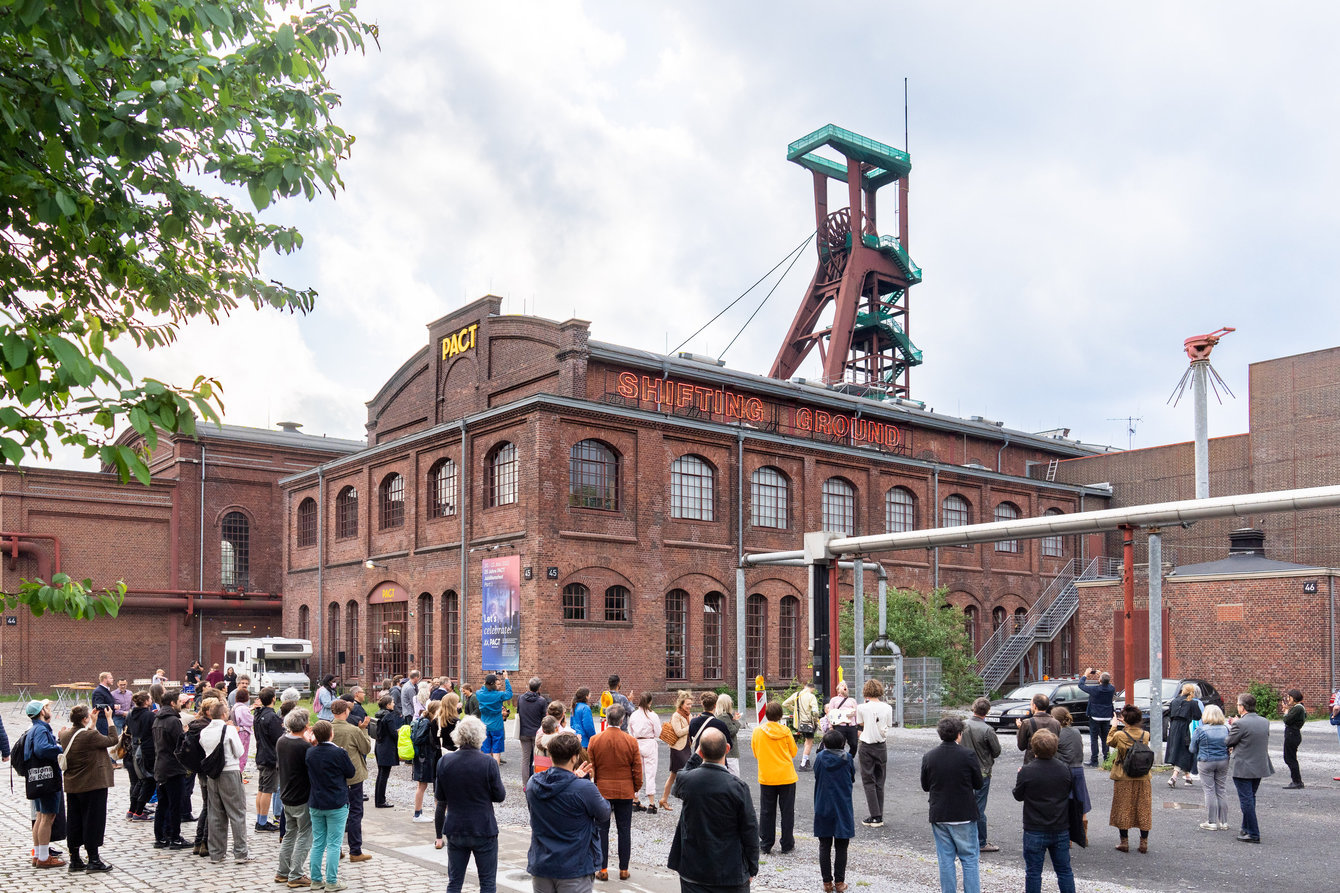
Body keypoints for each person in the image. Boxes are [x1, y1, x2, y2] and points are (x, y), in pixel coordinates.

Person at [668, 727, 759, 893]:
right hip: (729, 872)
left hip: (693, 870)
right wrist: (752, 867)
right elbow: (750, 829)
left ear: (700, 752)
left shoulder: (687, 781)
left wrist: (695, 756)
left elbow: (682, 774)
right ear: (727, 749)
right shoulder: (738, 787)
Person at [526, 730, 608, 893]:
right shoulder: (584, 788)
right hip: (574, 866)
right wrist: (585, 782)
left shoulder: (533, 783)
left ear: (550, 755)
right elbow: (604, 813)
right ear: (574, 757)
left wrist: (573, 780)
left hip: (542, 862)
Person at [437, 715, 506, 893]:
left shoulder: (445, 761)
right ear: (480, 736)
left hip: (455, 826)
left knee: (454, 881)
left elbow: (441, 796)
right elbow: (499, 795)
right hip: (483, 827)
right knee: (487, 882)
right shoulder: (488, 762)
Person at [920, 716, 983, 893]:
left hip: (940, 813)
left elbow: (925, 786)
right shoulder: (968, 755)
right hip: (964, 813)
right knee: (969, 858)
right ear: (959, 734)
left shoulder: (929, 756)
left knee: (946, 859)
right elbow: (978, 783)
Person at [1011, 729, 1076, 893]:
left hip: (1034, 827)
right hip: (1060, 826)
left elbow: (1018, 796)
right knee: (1064, 871)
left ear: (1034, 748)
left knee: (1033, 872)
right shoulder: (1065, 769)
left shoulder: (1027, 770)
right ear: (1055, 748)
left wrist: (1020, 777)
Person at [58, 704, 118, 872]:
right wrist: (109, 719)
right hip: (92, 785)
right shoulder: (90, 736)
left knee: (74, 821)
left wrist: (91, 722)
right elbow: (113, 740)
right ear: (84, 718)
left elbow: (82, 737)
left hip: (73, 786)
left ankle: (75, 859)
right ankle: (93, 859)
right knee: (93, 821)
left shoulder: (64, 734)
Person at [587, 704, 642, 882]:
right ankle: (624, 869)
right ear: (622, 720)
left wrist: (593, 785)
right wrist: (636, 787)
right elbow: (637, 769)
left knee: (602, 830)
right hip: (625, 790)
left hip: (602, 789)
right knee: (624, 830)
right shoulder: (631, 741)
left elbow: (591, 768)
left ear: (606, 718)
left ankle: (602, 869)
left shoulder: (595, 740)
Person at [307, 719, 356, 892]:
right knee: (334, 844)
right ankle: (332, 881)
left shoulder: (310, 753)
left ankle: (315, 879)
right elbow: (351, 772)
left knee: (318, 842)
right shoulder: (338, 753)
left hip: (316, 802)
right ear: (331, 734)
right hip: (336, 802)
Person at [199, 699, 251, 864]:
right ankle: (241, 852)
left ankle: (216, 853)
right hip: (230, 771)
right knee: (237, 812)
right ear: (223, 714)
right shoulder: (228, 730)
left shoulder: (205, 731)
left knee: (215, 813)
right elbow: (239, 751)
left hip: (212, 774)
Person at [752, 700, 798, 855]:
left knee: (766, 811)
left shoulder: (758, 732)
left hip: (767, 776)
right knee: (787, 811)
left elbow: (755, 752)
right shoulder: (786, 732)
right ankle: (787, 843)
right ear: (780, 716)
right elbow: (793, 752)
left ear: (766, 714)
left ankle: (766, 843)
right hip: (786, 776)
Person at [329, 698, 372, 863]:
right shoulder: (353, 730)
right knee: (355, 813)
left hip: (334, 777)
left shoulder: (327, 728)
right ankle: (355, 850)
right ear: (346, 711)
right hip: (353, 777)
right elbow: (366, 748)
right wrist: (364, 731)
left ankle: (336, 848)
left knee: (336, 813)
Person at [25, 699, 67, 868]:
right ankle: (44, 858)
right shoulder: (41, 729)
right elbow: (41, 749)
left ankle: (38, 855)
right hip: (47, 780)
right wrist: (59, 747)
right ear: (42, 712)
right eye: (47, 708)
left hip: (36, 779)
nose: (49, 709)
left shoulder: (33, 729)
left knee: (41, 817)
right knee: (47, 817)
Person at [812, 728, 855, 893]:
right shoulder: (847, 758)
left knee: (824, 845)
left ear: (825, 743)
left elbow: (816, 774)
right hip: (842, 806)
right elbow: (851, 776)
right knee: (842, 846)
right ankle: (839, 882)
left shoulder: (821, 758)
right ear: (843, 743)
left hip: (823, 804)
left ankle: (827, 883)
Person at [276, 708, 314, 888]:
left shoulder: (282, 741)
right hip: (302, 796)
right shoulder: (304, 746)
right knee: (305, 836)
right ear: (305, 725)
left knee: (290, 834)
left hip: (286, 794)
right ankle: (296, 874)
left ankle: (282, 872)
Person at [1228, 691, 1272, 843]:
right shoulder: (1265, 721)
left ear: (1242, 707)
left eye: (1238, 704)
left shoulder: (1239, 723)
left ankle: (1253, 832)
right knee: (1251, 797)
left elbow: (1228, 741)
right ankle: (1245, 827)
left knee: (1246, 800)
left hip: (1243, 766)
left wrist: (1233, 725)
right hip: (1259, 764)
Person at [1107, 704, 1153, 852]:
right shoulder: (1145, 735)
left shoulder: (1120, 735)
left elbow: (1109, 742)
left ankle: (1124, 842)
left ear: (1124, 720)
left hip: (1123, 775)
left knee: (1123, 807)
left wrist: (1114, 726)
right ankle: (1143, 843)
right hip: (1143, 776)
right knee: (1143, 808)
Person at [959, 697, 1002, 854]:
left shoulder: (962, 725)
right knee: (979, 808)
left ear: (973, 708)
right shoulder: (988, 730)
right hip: (982, 771)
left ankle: (963, 839)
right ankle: (981, 842)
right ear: (987, 711)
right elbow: (996, 751)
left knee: (965, 804)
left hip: (964, 771)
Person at [151, 689, 192, 850]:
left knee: (163, 804)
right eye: (179, 701)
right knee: (175, 804)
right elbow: (180, 744)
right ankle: (174, 836)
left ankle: (161, 837)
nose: (181, 704)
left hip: (161, 766)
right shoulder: (173, 721)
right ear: (172, 703)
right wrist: (186, 735)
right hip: (173, 767)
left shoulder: (158, 719)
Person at [855, 679, 893, 828]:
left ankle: (875, 815)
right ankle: (879, 814)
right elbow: (887, 724)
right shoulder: (888, 707)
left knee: (868, 780)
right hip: (881, 746)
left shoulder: (861, 708)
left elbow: (861, 723)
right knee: (880, 781)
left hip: (866, 745)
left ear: (866, 692)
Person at [1190, 703, 1231, 830]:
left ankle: (1211, 821)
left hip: (1206, 761)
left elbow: (1192, 749)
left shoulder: (1200, 730)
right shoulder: (1226, 729)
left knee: (1209, 790)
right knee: (1221, 789)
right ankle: (1224, 822)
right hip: (1223, 760)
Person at [1051, 707, 1090, 838]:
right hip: (1079, 768)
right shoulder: (1076, 731)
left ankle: (1068, 837)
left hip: (1064, 771)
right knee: (1081, 800)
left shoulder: (1057, 734)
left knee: (1066, 802)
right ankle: (1084, 833)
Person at [253, 686, 284, 832]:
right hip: (270, 757)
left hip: (261, 754)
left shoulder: (258, 714)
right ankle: (263, 822)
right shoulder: (272, 717)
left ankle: (260, 819)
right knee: (267, 791)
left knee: (261, 789)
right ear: (273, 698)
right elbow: (279, 738)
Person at [433, 694, 462, 849]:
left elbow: (432, 742)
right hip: (455, 761)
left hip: (440, 762)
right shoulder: (457, 722)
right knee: (455, 801)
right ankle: (453, 834)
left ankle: (438, 838)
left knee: (441, 802)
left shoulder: (435, 721)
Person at [627, 692, 662, 812]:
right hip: (649, 742)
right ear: (650, 702)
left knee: (637, 772)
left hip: (637, 743)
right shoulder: (652, 715)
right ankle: (651, 803)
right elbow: (658, 732)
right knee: (650, 772)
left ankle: (635, 799)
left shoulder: (634, 715)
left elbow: (629, 730)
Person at [125, 690, 156, 821]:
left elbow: (129, 730)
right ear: (146, 701)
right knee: (149, 780)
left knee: (140, 780)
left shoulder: (130, 714)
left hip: (134, 747)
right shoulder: (149, 716)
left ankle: (132, 810)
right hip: (146, 749)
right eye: (149, 699)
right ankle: (138, 811)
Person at [412, 699, 444, 822]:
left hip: (423, 757)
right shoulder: (427, 723)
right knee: (422, 785)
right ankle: (417, 814)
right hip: (424, 757)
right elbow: (419, 739)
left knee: (422, 785)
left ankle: (419, 813)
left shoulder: (424, 720)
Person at [661, 690, 693, 812]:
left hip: (687, 747)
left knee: (675, 775)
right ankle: (686, 800)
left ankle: (664, 799)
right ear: (681, 704)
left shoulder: (688, 714)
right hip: (678, 749)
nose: (689, 706)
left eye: (690, 704)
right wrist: (691, 725)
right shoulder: (676, 715)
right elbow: (679, 732)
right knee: (683, 773)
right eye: (687, 704)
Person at [1165, 683, 1203, 786]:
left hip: (1173, 728)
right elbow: (1198, 716)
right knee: (1184, 751)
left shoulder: (1174, 701)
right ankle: (1174, 777)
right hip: (1185, 728)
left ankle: (1188, 777)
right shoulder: (1192, 703)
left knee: (1179, 750)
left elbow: (1169, 714)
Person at [1078, 668, 1116, 767]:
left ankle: (1094, 760)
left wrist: (1085, 674)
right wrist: (1102, 675)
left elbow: (1081, 685)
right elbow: (1108, 683)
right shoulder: (1112, 689)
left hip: (1095, 716)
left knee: (1094, 738)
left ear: (1100, 681)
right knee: (1105, 738)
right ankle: (1106, 759)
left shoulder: (1095, 690)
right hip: (1107, 716)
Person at [517, 676, 550, 787]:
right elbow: (544, 718)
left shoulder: (521, 698)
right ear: (539, 688)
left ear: (528, 686)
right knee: (538, 758)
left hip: (524, 732)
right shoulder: (541, 701)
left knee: (525, 759)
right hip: (537, 733)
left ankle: (525, 784)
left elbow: (518, 712)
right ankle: (537, 783)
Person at [372, 694, 403, 808]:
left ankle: (378, 799)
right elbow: (393, 734)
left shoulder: (379, 714)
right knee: (384, 775)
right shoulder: (389, 716)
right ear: (388, 705)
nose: (394, 704)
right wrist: (398, 732)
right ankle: (381, 801)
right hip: (387, 747)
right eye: (393, 702)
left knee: (380, 774)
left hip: (379, 745)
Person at [476, 671, 514, 765]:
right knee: (496, 752)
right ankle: (495, 772)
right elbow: (509, 694)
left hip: (484, 725)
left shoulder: (479, 694)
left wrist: (490, 678)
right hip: (497, 725)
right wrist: (506, 679)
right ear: (494, 684)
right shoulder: (499, 695)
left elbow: (483, 688)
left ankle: (486, 771)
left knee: (486, 751)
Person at [782, 681, 821, 770]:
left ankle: (806, 760)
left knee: (807, 741)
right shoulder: (811, 696)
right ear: (812, 689)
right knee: (809, 742)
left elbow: (785, 704)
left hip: (799, 723)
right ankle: (803, 764)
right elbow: (815, 712)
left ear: (805, 687)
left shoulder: (796, 694)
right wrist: (816, 720)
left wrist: (795, 710)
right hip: (808, 723)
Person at [1016, 694, 1061, 765]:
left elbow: (1021, 746)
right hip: (1051, 762)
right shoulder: (1056, 723)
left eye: (1031, 705)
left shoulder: (1027, 723)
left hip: (1032, 762)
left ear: (1034, 706)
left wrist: (1020, 729)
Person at [824, 680, 859, 757]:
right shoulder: (834, 700)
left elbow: (857, 714)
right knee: (839, 744)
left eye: (845, 685)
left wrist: (858, 726)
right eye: (842, 685)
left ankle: (849, 758)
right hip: (839, 726)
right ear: (838, 689)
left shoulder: (852, 700)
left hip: (851, 726)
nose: (844, 687)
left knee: (854, 744)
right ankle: (841, 759)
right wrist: (830, 726)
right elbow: (830, 713)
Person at [1281, 688, 1306, 789]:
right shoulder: (1298, 707)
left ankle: (1297, 781)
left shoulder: (1298, 708)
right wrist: (1287, 711)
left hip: (1292, 734)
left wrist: (1286, 711)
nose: (1288, 698)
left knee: (1290, 758)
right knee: (1289, 757)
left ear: (1293, 697)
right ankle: (1296, 780)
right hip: (1293, 733)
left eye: (1289, 697)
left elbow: (1287, 720)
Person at [714, 694, 742, 775]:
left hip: (723, 751)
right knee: (735, 776)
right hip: (730, 753)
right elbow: (732, 731)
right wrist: (736, 721)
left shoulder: (718, 715)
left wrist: (733, 719)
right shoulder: (724, 716)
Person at [232, 687, 255, 779]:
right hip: (243, 732)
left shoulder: (235, 706)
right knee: (243, 754)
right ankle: (240, 773)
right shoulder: (243, 708)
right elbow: (249, 721)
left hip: (237, 731)